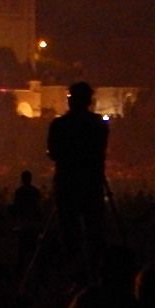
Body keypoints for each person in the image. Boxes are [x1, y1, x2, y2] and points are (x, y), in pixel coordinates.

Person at [47, 81, 109, 274]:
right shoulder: (98, 124)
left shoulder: (59, 125)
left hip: (67, 183)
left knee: (68, 230)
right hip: (91, 182)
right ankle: (95, 269)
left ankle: (73, 270)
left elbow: (54, 153)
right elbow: (100, 150)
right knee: (93, 230)